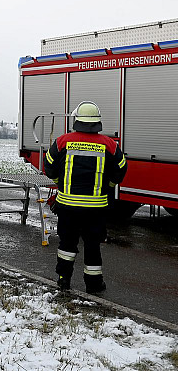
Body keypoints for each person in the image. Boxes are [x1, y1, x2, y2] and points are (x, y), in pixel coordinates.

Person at [44, 101, 127, 294]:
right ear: (97, 122)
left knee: (66, 245)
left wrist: (60, 182)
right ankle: (94, 285)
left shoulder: (62, 141)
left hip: (67, 206)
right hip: (96, 208)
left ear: (77, 120)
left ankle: (64, 279)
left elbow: (49, 167)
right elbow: (121, 168)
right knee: (92, 245)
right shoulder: (109, 144)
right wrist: (109, 186)